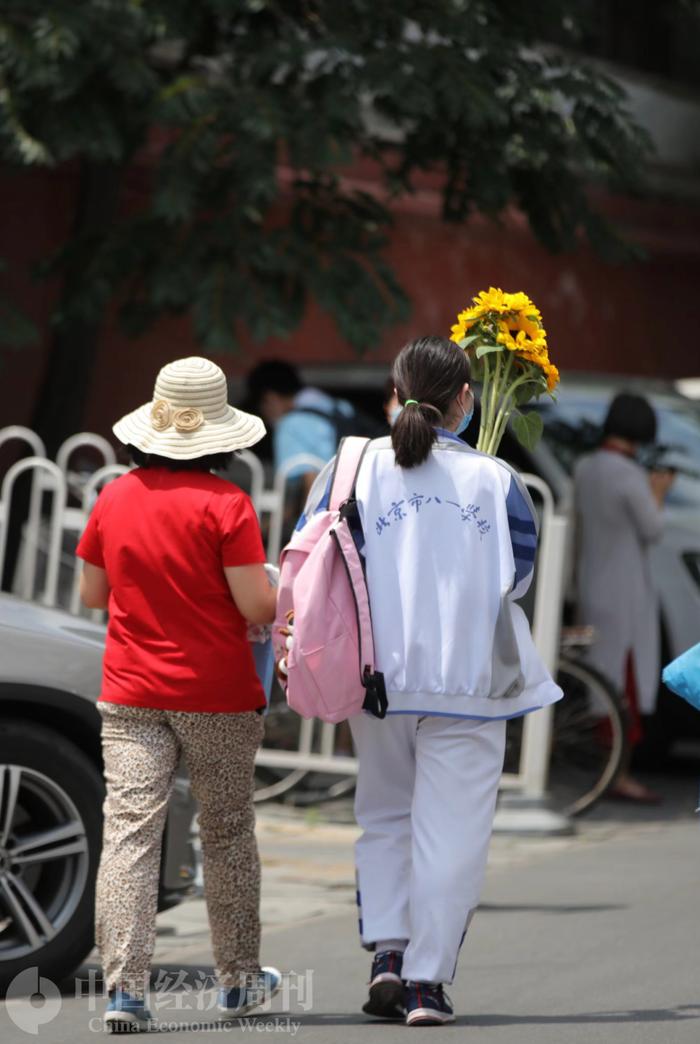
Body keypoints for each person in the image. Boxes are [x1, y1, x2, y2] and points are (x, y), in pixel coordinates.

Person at [294, 336, 562, 1026]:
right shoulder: (497, 481)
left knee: (383, 816)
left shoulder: (348, 464)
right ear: (465, 401)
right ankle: (425, 983)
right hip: (468, 685)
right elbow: (521, 578)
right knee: (454, 834)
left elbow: (307, 552)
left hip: (375, 678)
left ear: (394, 391)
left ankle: (387, 951)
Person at [76, 357, 281, 1031]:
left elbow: (92, 595)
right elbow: (256, 601)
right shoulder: (228, 505)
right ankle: (239, 981)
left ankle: (125, 992)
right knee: (225, 833)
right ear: (223, 435)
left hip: (131, 691)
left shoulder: (114, 497)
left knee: (130, 837)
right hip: (218, 694)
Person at [573, 392, 674, 803]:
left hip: (593, 584)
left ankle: (605, 770)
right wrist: (659, 492)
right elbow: (652, 529)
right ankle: (619, 773)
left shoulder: (584, 467)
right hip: (627, 593)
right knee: (624, 686)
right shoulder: (630, 475)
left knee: (601, 680)